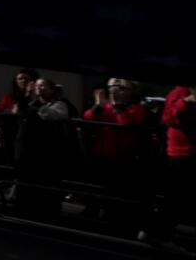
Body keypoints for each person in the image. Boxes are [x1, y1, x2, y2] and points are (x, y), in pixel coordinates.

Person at [82, 79, 151, 234]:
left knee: (120, 198)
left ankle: (120, 227)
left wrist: (117, 107)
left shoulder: (137, 108)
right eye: (114, 87)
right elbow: (88, 118)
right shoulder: (106, 106)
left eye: (123, 88)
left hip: (124, 160)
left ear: (131, 92)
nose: (116, 91)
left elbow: (126, 123)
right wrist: (98, 105)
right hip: (103, 157)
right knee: (101, 193)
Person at [12, 78, 77, 219]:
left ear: (52, 90)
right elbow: (19, 113)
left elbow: (47, 115)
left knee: (47, 188)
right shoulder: (31, 104)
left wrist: (34, 106)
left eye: (43, 86)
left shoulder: (60, 105)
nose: (39, 88)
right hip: (30, 152)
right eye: (37, 86)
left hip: (48, 153)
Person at [140, 85, 194, 247]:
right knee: (175, 198)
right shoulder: (180, 92)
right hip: (182, 155)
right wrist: (187, 101)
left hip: (186, 154)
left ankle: (159, 232)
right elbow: (169, 117)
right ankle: (155, 233)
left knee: (177, 198)